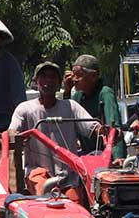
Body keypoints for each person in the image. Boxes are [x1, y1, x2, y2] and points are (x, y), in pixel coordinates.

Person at [9, 61, 101, 205]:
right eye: (44, 76)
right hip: (38, 173)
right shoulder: (24, 109)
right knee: (46, 206)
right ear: (35, 81)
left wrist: (102, 130)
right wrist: (17, 136)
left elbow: (92, 127)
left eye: (53, 77)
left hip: (69, 177)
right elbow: (12, 133)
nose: (48, 81)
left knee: (78, 211)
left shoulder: (71, 106)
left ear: (59, 82)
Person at [65, 54, 125, 161]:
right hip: (86, 155)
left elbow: (114, 127)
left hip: (105, 155)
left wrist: (118, 157)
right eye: (73, 75)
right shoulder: (77, 97)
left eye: (79, 75)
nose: (74, 79)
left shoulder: (105, 93)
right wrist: (67, 92)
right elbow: (65, 122)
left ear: (93, 76)